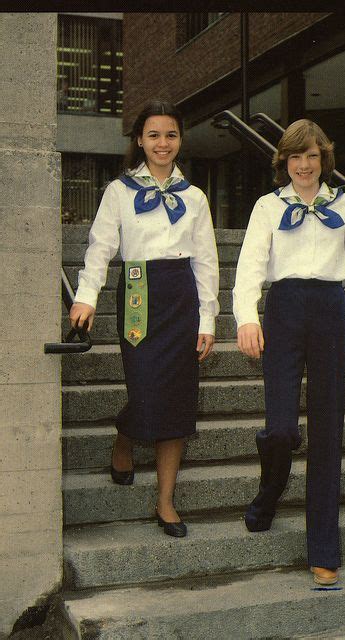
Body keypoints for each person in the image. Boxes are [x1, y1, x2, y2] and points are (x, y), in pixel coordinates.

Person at [69, 100, 219, 538]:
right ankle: (124, 434)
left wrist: (207, 319)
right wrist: (85, 297)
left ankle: (165, 501)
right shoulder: (118, 191)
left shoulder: (195, 197)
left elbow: (207, 262)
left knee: (177, 399)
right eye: (153, 135)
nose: (162, 143)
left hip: (180, 299)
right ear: (139, 140)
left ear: (180, 141)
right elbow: (100, 247)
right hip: (137, 290)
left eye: (170, 135)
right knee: (146, 387)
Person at [233, 119, 345, 584]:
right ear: (283, 162)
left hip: (331, 312)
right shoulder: (267, 207)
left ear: (323, 159)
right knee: (279, 428)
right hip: (285, 309)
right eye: (295, 156)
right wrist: (248, 318)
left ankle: (325, 552)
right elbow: (250, 266)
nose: (304, 164)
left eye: (312, 155)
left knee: (329, 433)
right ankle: (270, 493)